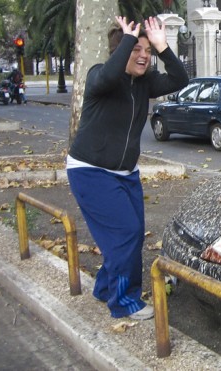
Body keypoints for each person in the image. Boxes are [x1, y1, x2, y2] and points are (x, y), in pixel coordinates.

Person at [66, 16, 189, 320]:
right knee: (126, 233)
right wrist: (127, 40)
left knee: (129, 235)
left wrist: (162, 48)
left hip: (126, 174)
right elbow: (108, 76)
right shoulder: (100, 77)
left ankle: (106, 287)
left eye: (147, 51)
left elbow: (179, 80)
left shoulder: (144, 84)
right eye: (136, 50)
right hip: (90, 171)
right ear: (120, 50)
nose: (143, 56)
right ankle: (124, 301)